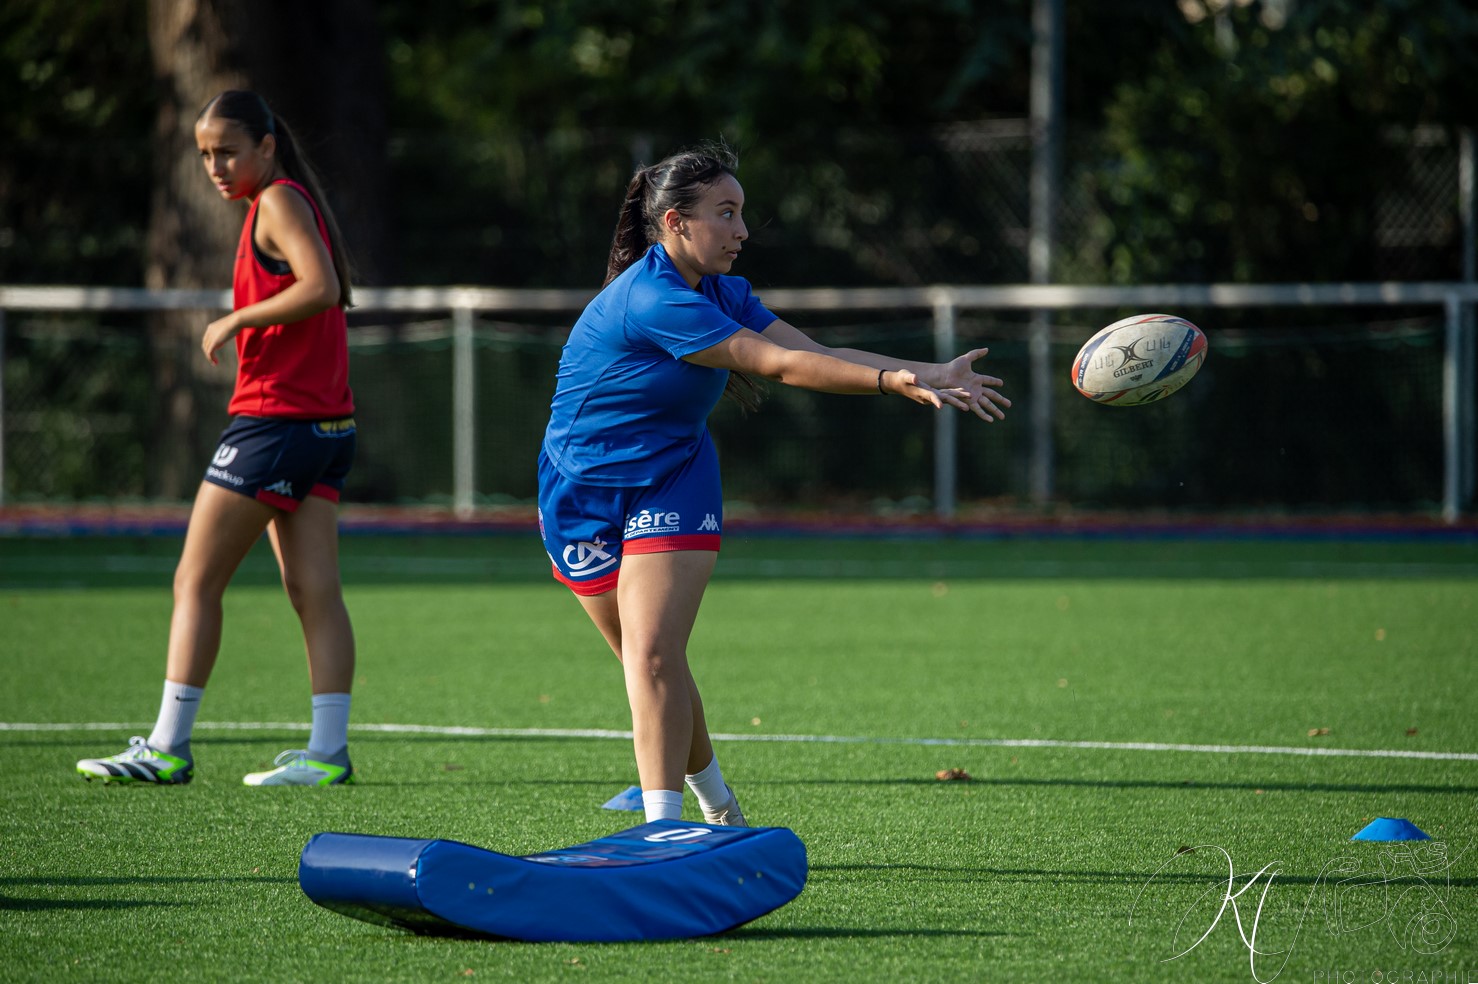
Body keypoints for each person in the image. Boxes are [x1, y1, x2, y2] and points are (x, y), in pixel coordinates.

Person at [538, 143, 1010, 825]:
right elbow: (776, 366)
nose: (742, 230)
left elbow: (808, 355)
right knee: (649, 661)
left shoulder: (723, 291)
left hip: (674, 477)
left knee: (652, 653)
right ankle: (721, 810)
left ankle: (662, 832)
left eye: (742, 213)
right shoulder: (650, 298)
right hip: (578, 492)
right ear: (674, 222)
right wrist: (889, 383)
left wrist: (924, 372)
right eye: (725, 214)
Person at [76, 90, 359, 787]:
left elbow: (321, 288)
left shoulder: (277, 202)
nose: (215, 166)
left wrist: (235, 321)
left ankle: (168, 746)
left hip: (276, 424)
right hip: (326, 426)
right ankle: (328, 754)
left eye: (227, 151)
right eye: (204, 154)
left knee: (196, 580)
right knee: (313, 589)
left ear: (267, 146)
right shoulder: (286, 200)